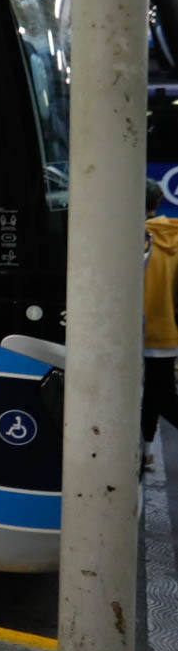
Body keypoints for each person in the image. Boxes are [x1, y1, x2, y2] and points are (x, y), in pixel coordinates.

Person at [143, 178, 178, 468]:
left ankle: (145, 452)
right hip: (166, 332)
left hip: (133, 332)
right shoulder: (175, 236)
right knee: (157, 394)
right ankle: (146, 452)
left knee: (159, 397)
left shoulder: (133, 238)